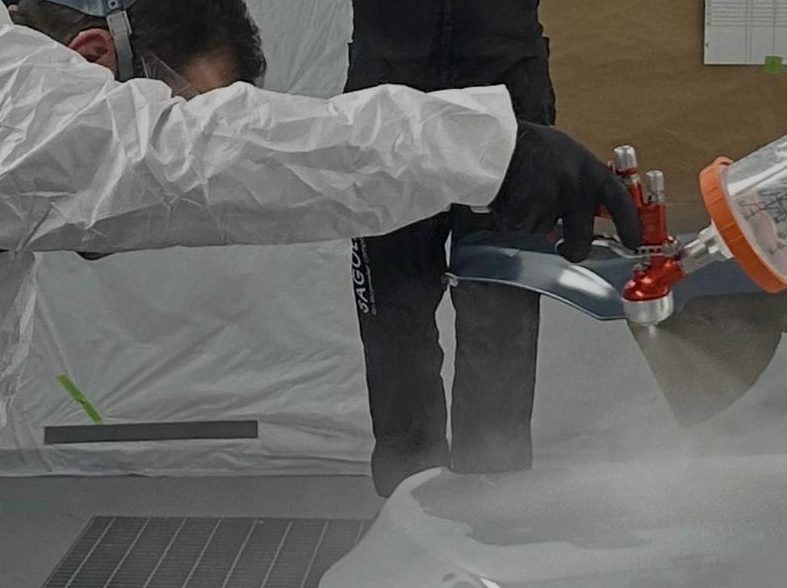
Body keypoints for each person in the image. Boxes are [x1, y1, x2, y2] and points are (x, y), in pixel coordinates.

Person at [0, 1, 640, 447]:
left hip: (502, 68)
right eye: (178, 110)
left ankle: (493, 507)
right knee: (399, 343)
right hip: (416, 71)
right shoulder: (15, 98)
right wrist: (492, 148)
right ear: (93, 57)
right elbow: (188, 160)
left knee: (497, 327)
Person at [347, 1, 580, 496]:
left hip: (505, 80)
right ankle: (408, 498)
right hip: (390, 87)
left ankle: (493, 500)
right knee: (395, 320)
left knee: (501, 315)